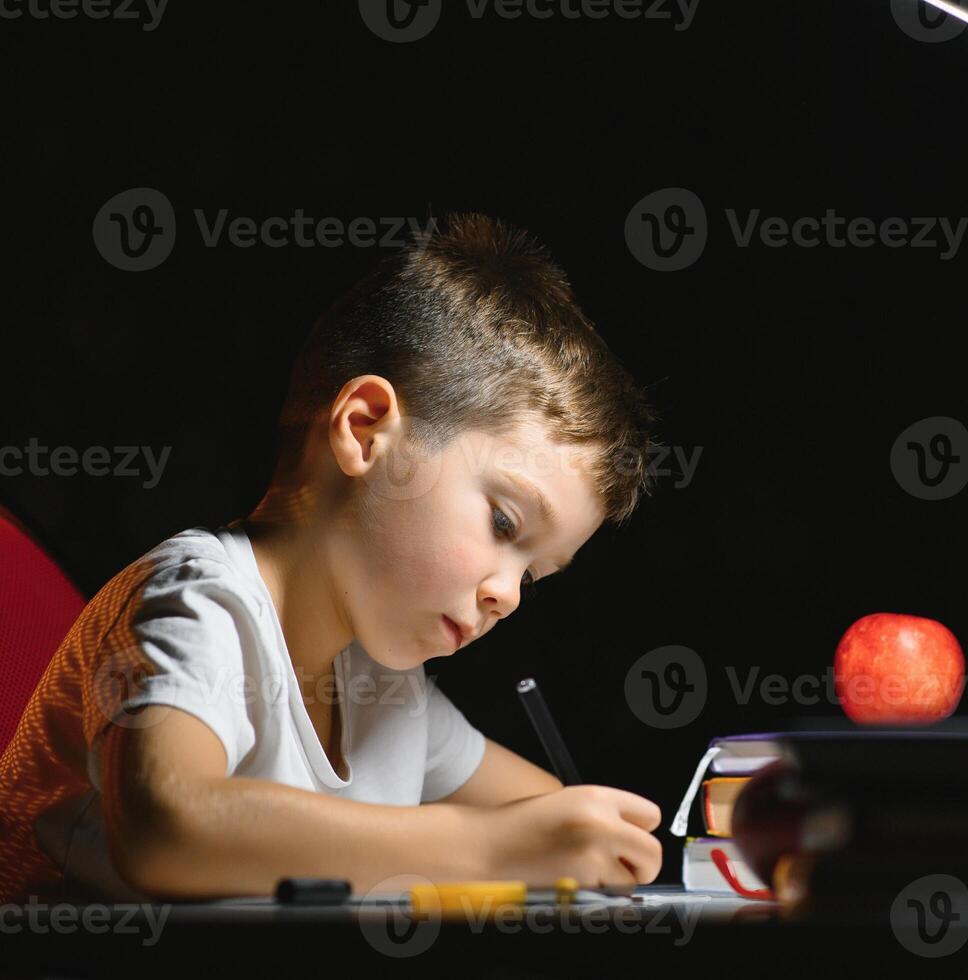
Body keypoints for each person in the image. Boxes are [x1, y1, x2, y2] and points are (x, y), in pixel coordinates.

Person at [0, 213, 665, 902]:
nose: (511, 597)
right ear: (365, 430)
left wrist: (587, 838)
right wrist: (491, 847)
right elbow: (167, 829)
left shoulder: (385, 687)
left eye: (533, 574)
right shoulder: (197, 602)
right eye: (503, 521)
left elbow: (551, 817)